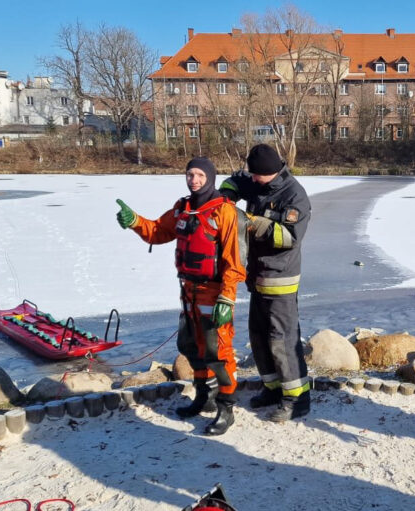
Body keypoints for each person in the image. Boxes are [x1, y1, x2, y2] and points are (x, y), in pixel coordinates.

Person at [115, 156, 246, 435]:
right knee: (192, 348)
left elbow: (234, 262)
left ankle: (226, 408)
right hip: (188, 292)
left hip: (214, 293)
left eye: (200, 175)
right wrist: (135, 221)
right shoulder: (182, 209)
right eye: (190, 174)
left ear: (210, 178)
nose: (194, 180)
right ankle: (203, 397)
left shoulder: (224, 212)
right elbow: (158, 231)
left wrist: (227, 297)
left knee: (218, 352)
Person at [219, 144, 312, 422]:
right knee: (258, 337)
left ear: (270, 172)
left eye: (257, 176)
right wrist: (227, 196)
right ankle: (272, 388)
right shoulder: (258, 183)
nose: (253, 180)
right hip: (257, 278)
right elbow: (233, 181)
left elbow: (289, 237)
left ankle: (297, 399)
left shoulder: (295, 195)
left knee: (282, 340)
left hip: (280, 279)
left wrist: (251, 223)